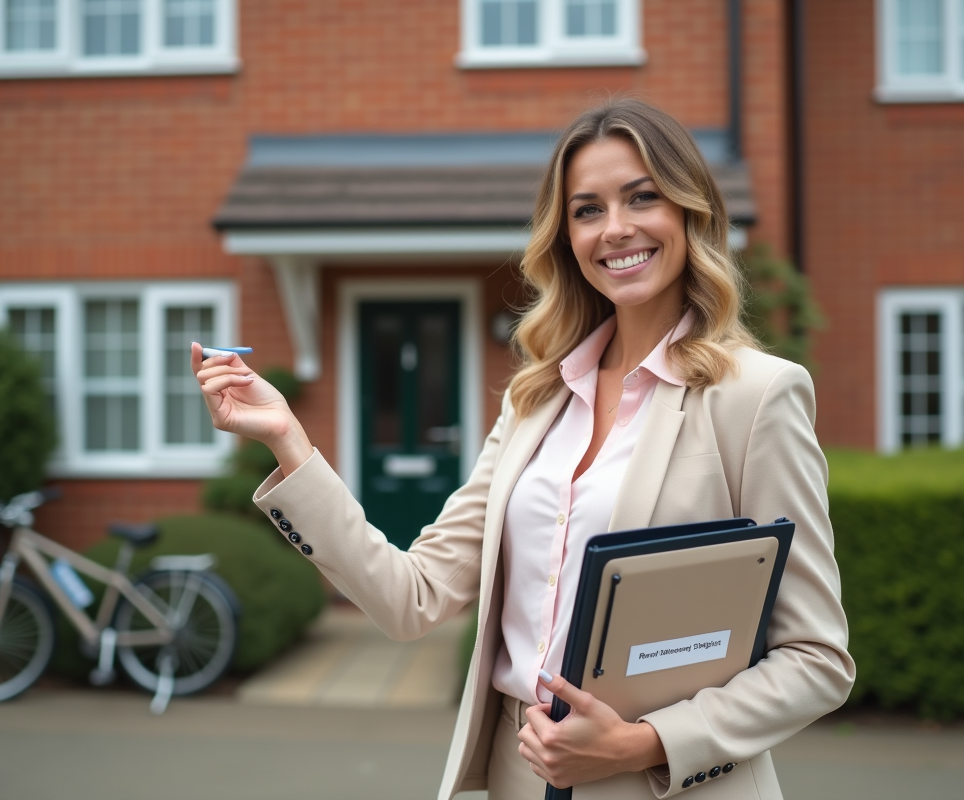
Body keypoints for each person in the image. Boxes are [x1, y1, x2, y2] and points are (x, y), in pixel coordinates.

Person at [191, 98, 854, 800]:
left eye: (642, 198)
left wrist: (644, 744)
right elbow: (409, 598)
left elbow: (815, 659)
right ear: (564, 235)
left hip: (666, 784)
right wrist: (288, 440)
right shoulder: (535, 400)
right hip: (521, 774)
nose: (616, 229)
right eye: (587, 209)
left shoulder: (757, 395)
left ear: (691, 213)